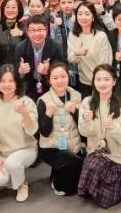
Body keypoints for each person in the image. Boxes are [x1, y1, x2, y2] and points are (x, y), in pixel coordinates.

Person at [77, 65, 121, 208]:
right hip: (98, 152)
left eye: (107, 79)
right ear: (93, 81)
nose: (102, 83)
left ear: (114, 81)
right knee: (93, 166)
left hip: (119, 156)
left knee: (107, 199)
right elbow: (84, 133)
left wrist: (113, 126)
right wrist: (86, 120)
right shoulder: (87, 103)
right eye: (98, 79)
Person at [0, 65, 39, 202]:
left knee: (13, 163)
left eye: (11, 81)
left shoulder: (26, 102)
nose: (6, 85)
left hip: (26, 149)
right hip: (3, 153)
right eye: (3, 81)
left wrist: (25, 113)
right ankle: (16, 178)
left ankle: (21, 185)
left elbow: (32, 130)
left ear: (17, 82)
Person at [36, 62, 85, 195]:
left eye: (63, 76)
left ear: (68, 76)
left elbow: (84, 128)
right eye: (55, 78)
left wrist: (75, 111)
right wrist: (48, 114)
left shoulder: (77, 96)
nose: (59, 81)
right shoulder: (43, 100)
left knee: (81, 185)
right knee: (68, 189)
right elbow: (44, 133)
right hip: (53, 148)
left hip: (74, 145)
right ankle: (58, 175)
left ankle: (58, 172)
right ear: (49, 80)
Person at [14, 14, 65, 101]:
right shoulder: (21, 47)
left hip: (50, 86)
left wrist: (48, 72)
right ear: (28, 32)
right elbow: (16, 74)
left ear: (46, 30)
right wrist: (21, 72)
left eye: (40, 29)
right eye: (33, 30)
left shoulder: (56, 46)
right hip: (29, 86)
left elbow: (60, 72)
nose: (37, 34)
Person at [68, 2, 113, 98]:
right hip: (83, 82)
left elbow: (105, 63)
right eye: (80, 14)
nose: (83, 17)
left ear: (93, 17)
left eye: (87, 14)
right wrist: (77, 53)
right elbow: (71, 59)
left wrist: (99, 81)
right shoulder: (73, 35)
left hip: (100, 83)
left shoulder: (101, 36)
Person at [0, 0, 26, 70]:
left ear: (19, 9)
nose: (10, 10)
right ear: (3, 9)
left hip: (19, 71)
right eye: (7, 7)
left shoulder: (25, 29)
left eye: (14, 7)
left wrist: (22, 34)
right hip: (1, 71)